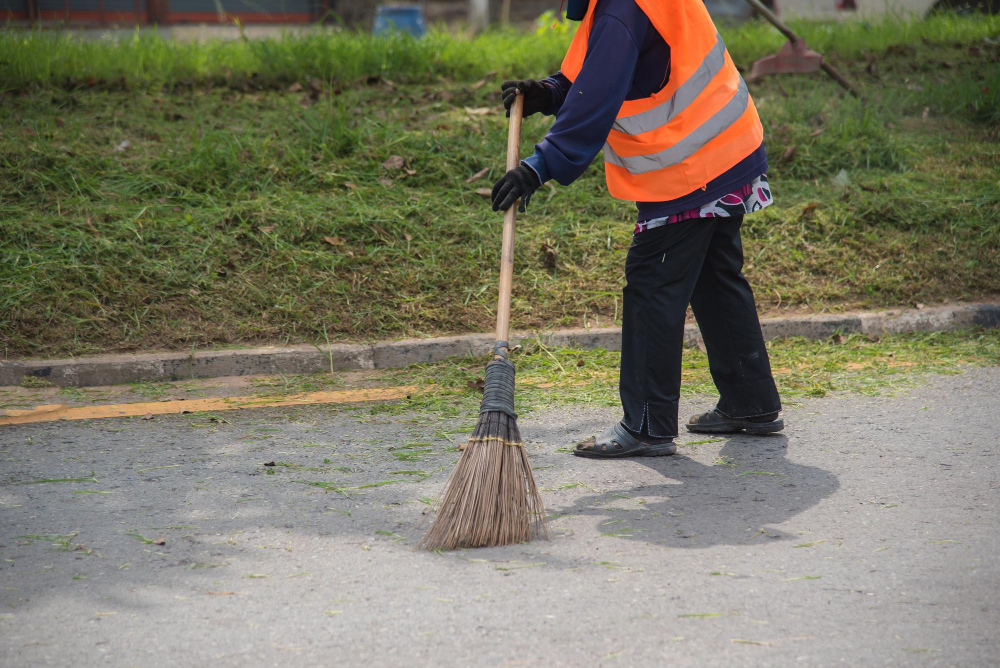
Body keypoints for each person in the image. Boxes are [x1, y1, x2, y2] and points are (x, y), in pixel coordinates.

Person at [490, 0, 784, 459]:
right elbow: (622, 68)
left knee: (651, 282)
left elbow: (603, 91)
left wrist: (539, 166)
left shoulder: (619, 10)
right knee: (714, 278)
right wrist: (552, 92)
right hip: (729, 148)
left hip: (689, 168)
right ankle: (752, 402)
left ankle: (647, 424)